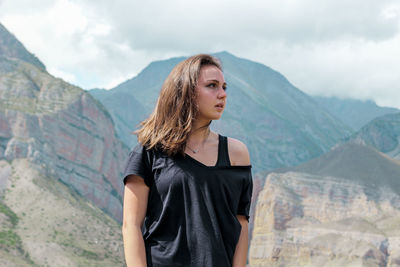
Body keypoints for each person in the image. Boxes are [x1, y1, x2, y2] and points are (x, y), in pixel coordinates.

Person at [122, 54, 253, 267]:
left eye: (224, 87)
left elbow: (241, 222)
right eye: (212, 86)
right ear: (186, 92)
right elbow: (131, 225)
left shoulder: (237, 154)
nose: (222, 95)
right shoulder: (148, 152)